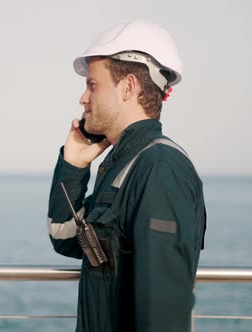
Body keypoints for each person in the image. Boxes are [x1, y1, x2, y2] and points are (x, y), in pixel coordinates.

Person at [47, 20, 207, 331]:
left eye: (93, 85)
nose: (83, 98)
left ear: (128, 87)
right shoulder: (125, 165)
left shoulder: (160, 169)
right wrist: (74, 167)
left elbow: (163, 310)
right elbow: (64, 237)